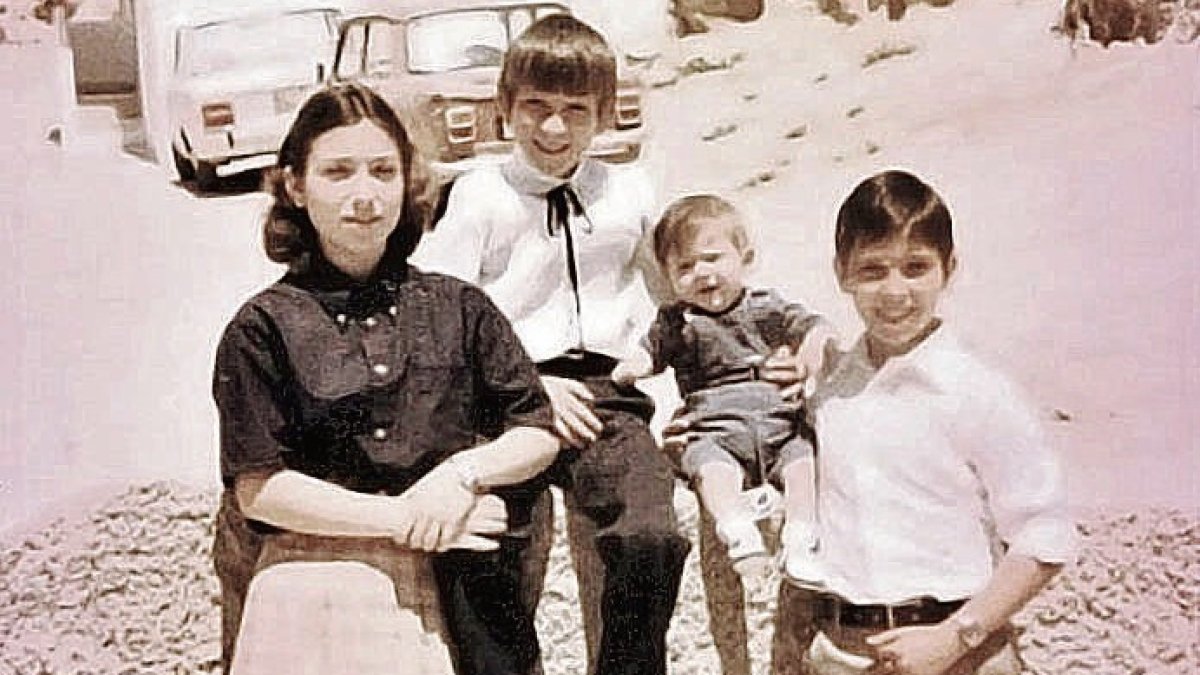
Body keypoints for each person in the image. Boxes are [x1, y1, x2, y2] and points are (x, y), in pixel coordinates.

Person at [210, 83, 560, 675]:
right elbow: (259, 488)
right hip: (316, 567)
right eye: (338, 172)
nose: (364, 195)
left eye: (382, 171)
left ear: (407, 182)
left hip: (463, 572)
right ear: (296, 186)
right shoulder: (262, 326)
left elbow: (536, 428)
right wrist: (409, 521)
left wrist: (461, 475)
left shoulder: (459, 306)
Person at [410, 13, 690, 675]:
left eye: (575, 110)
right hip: (502, 397)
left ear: (603, 114)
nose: (555, 128)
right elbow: (440, 317)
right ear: (506, 108)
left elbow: (677, 302)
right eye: (536, 107)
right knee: (484, 544)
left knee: (651, 531)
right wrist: (527, 386)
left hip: (608, 398)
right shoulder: (479, 194)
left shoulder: (629, 190)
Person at [765, 170, 1076, 674]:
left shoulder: (978, 391)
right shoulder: (830, 393)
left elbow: (1047, 537)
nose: (894, 292)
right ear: (842, 273)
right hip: (844, 650)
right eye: (872, 270)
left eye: (915, 268)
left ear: (948, 269)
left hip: (958, 649)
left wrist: (956, 637)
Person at [611, 194, 836, 587]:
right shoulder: (677, 321)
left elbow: (811, 327)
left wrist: (812, 352)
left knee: (803, 463)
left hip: (779, 423)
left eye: (712, 258)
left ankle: (801, 538)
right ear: (667, 277)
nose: (701, 273)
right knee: (709, 467)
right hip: (715, 426)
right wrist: (635, 367)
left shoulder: (765, 306)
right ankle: (736, 530)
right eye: (685, 267)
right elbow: (652, 352)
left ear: (744, 258)